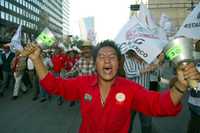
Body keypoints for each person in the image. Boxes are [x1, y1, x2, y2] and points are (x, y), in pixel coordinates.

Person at [25, 40, 200, 133]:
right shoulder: (83, 84)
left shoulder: (130, 88)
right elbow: (54, 85)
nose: (107, 60)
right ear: (95, 63)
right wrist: (36, 60)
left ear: (119, 63)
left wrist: (180, 86)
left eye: (112, 57)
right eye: (102, 56)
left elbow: (161, 105)